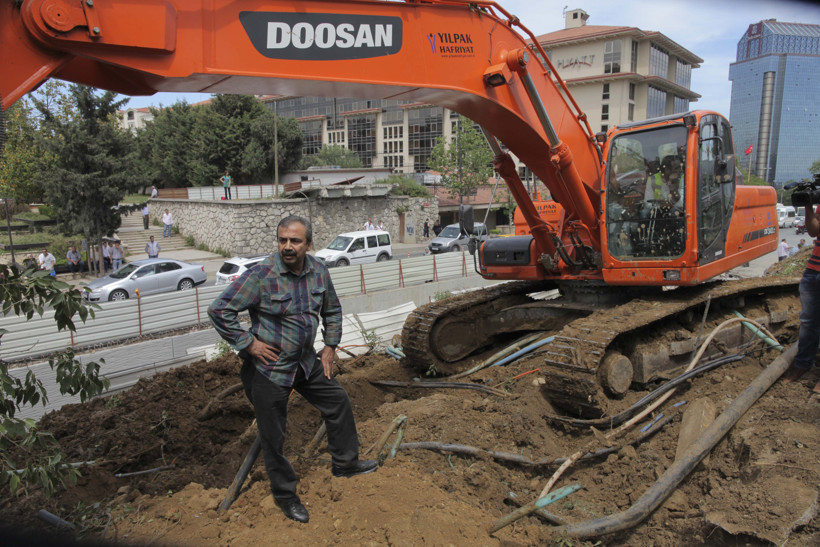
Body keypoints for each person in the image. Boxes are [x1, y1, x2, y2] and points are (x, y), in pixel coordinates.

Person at [208, 215, 377, 524]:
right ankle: (286, 496)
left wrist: (330, 345)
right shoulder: (262, 275)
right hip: (269, 368)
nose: (288, 246)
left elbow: (332, 309)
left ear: (308, 244)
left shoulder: (319, 271)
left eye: (295, 241)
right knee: (273, 435)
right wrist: (248, 344)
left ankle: (345, 463)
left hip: (304, 362)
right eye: (283, 240)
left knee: (337, 400)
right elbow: (220, 310)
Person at [783, 202, 820, 394]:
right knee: (808, 322)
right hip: (814, 270)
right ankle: (803, 363)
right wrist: (808, 206)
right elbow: (814, 231)